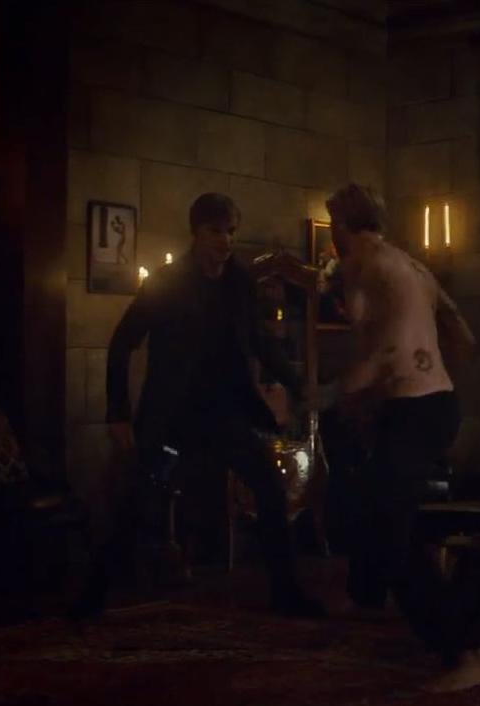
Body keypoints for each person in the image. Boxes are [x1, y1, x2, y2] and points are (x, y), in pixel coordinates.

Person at [76, 193, 325, 620]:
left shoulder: (239, 282)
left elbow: (259, 340)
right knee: (138, 496)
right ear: (196, 232)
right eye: (215, 231)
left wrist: (295, 382)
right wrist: (118, 412)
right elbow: (122, 343)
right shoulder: (168, 281)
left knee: (268, 487)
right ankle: (91, 598)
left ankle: (286, 593)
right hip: (172, 414)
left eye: (230, 231)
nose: (225, 240)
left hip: (223, 412)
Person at [321, 183, 480, 693]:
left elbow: (387, 353)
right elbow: (462, 333)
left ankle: (468, 653)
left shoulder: (375, 268)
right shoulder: (407, 266)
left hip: (416, 411)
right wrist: (431, 378)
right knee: (375, 509)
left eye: (334, 227)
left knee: (390, 533)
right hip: (425, 406)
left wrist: (330, 393)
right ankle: (368, 595)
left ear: (344, 228)